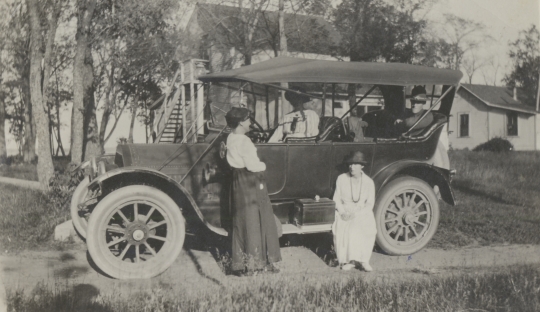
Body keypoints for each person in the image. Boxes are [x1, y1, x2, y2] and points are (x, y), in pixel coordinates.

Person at [225, 107, 282, 276]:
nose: (250, 123)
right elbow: (252, 165)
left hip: (238, 182)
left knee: (242, 222)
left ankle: (242, 265)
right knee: (257, 221)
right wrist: (263, 166)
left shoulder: (231, 137)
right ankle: (257, 265)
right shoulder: (244, 141)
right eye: (248, 119)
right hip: (250, 181)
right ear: (241, 123)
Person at [332, 151, 376, 272]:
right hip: (345, 211)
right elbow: (336, 199)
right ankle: (350, 261)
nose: (352, 167)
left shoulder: (368, 182)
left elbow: (369, 204)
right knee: (347, 227)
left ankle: (363, 260)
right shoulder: (341, 178)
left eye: (356, 164)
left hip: (361, 212)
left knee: (366, 225)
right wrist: (342, 212)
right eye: (350, 164)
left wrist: (356, 214)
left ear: (362, 166)